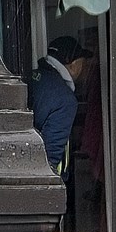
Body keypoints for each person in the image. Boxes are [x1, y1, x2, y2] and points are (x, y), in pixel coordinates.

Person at [30, 35, 86, 183]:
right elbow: (51, 157)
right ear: (73, 65)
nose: (83, 69)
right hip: (47, 185)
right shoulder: (65, 100)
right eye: (82, 63)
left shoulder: (32, 78)